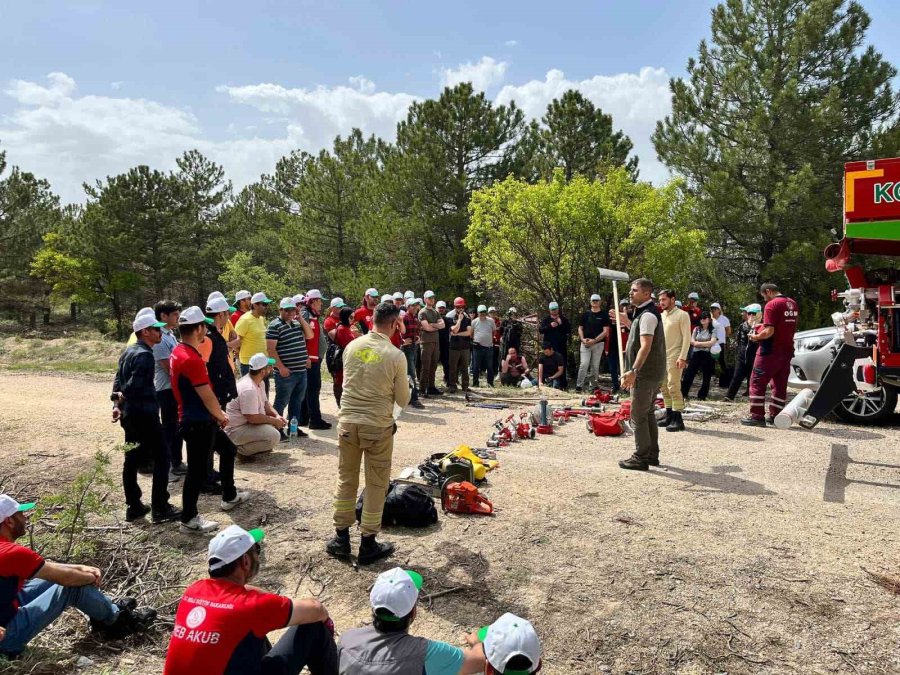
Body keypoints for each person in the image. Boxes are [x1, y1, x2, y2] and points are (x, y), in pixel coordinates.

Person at [164, 525, 337, 675]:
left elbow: (241, 594)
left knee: (250, 633)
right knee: (314, 627)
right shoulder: (250, 607)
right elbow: (316, 608)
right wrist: (327, 622)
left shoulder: (193, 590)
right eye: (257, 551)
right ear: (245, 561)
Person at [0, 495, 156, 657]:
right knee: (71, 586)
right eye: (20, 514)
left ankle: (105, 609)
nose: (25, 517)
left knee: (50, 578)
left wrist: (78, 567)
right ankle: (118, 621)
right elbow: (67, 579)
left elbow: (44, 568)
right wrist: (89, 578)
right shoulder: (11, 553)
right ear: (9, 522)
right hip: (7, 637)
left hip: (8, 608)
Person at [326, 302, 410, 565]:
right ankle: (368, 542)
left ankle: (341, 537)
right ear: (395, 324)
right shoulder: (395, 355)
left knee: (346, 478)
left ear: (371, 320)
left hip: (348, 423)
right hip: (377, 426)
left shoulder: (353, 346)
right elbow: (403, 399)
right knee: (376, 483)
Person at [171, 307, 249, 534]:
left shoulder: (180, 350)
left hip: (199, 419)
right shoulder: (190, 358)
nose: (207, 328)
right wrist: (221, 415)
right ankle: (189, 518)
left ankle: (229, 495)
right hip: (198, 422)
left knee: (227, 450)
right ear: (197, 329)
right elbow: (205, 394)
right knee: (196, 471)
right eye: (203, 325)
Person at [338, 567, 487, 674]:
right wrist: (478, 643)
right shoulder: (427, 652)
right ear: (413, 612)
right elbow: (479, 661)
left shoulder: (347, 640)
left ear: (373, 607)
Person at [111, 308, 182, 523]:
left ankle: (134, 506)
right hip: (145, 416)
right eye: (156, 329)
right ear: (145, 332)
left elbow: (117, 381)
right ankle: (160, 507)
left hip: (129, 416)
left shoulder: (128, 352)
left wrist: (116, 403)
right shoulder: (144, 356)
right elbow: (133, 387)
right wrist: (122, 397)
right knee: (163, 458)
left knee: (131, 459)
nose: (160, 333)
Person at [617, 279, 667, 472]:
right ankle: (652, 454)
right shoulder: (644, 314)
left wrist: (634, 371)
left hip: (645, 374)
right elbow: (640, 337)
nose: (631, 293)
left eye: (634, 290)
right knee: (647, 413)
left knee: (637, 415)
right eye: (631, 290)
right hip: (653, 372)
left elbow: (645, 346)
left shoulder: (647, 316)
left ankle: (641, 457)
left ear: (646, 294)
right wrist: (628, 322)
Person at [742, 283, 799, 426]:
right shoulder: (792, 303)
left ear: (768, 291)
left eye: (764, 296)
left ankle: (757, 416)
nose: (765, 300)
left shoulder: (772, 305)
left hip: (769, 351)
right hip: (786, 351)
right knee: (779, 384)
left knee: (757, 382)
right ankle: (776, 416)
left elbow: (769, 331)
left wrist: (756, 337)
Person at [267, 297, 313, 439]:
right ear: (280, 310)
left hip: (301, 371)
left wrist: (300, 319)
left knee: (296, 402)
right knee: (281, 402)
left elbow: (309, 335)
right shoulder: (274, 325)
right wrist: (280, 367)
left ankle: (294, 427)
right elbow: (270, 349)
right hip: (286, 373)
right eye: (286, 310)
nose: (289, 313)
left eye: (292, 310)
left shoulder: (296, 323)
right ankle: (277, 429)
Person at [225, 353, 286, 458]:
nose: (271, 368)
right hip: (235, 429)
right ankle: (236, 451)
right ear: (262, 371)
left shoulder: (258, 382)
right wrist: (274, 421)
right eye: (269, 367)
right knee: (274, 436)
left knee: (271, 430)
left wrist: (277, 416)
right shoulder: (249, 389)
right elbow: (252, 418)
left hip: (244, 425)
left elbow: (266, 404)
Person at [152, 300, 186, 480]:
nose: (177, 317)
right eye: (174, 314)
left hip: (173, 389)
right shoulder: (160, 339)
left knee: (176, 426)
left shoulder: (170, 335)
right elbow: (170, 368)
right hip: (166, 389)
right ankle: (169, 463)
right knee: (170, 427)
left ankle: (176, 461)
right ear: (163, 316)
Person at [657, 290, 691, 432]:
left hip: (675, 355)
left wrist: (682, 357)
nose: (661, 302)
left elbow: (687, 337)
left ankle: (678, 419)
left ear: (672, 299)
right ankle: (669, 415)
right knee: (663, 386)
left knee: (673, 385)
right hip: (661, 355)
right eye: (660, 300)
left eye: (664, 299)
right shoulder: (661, 316)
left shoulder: (682, 315)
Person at [301, 290, 332, 430]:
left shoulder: (312, 315)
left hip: (313, 359)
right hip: (308, 359)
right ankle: (315, 420)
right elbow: (302, 336)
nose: (321, 304)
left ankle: (306, 418)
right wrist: (305, 355)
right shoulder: (305, 315)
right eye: (320, 301)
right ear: (313, 301)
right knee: (312, 389)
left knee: (311, 389)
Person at [235, 292, 273, 387]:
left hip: (263, 363)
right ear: (255, 305)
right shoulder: (244, 320)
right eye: (264, 304)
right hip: (249, 364)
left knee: (263, 396)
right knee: (250, 395)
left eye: (267, 304)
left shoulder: (260, 319)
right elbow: (237, 341)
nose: (266, 307)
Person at [725, 304, 760, 401]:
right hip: (742, 354)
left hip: (754, 355)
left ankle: (752, 397)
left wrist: (754, 326)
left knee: (753, 378)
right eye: (749, 313)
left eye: (753, 313)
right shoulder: (742, 325)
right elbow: (739, 339)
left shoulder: (761, 326)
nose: (750, 315)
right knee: (736, 376)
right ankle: (729, 396)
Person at [576, 294, 610, 393]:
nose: (595, 302)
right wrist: (582, 339)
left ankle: (593, 386)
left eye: (597, 300)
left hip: (598, 344)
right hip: (585, 343)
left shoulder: (604, 315)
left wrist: (594, 341)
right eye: (593, 300)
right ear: (590, 302)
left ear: (600, 302)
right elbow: (580, 328)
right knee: (584, 364)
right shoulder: (585, 314)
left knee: (595, 366)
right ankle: (579, 386)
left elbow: (605, 331)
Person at [681, 312, 718, 401]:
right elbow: (692, 341)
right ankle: (683, 393)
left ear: (709, 319)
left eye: (704, 318)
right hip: (696, 354)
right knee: (689, 374)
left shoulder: (713, 330)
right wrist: (703, 344)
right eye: (701, 318)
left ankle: (702, 395)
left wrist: (699, 343)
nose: (702, 320)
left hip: (707, 354)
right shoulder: (696, 329)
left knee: (706, 376)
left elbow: (712, 342)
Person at [329, 307, 358, 407]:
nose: (352, 320)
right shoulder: (342, 328)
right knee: (340, 382)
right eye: (350, 317)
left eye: (354, 317)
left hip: (349, 359)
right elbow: (347, 344)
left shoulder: (348, 327)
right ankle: (341, 404)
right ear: (345, 317)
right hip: (342, 360)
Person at [418, 291, 445, 398]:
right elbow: (426, 328)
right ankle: (422, 388)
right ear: (425, 299)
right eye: (429, 298)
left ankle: (431, 386)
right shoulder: (422, 312)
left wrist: (433, 324)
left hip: (435, 342)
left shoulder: (435, 312)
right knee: (426, 366)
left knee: (434, 365)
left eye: (433, 298)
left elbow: (442, 325)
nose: (432, 300)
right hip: (426, 342)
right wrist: (436, 326)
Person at [538, 302, 571, 389]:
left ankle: (563, 384)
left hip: (561, 346)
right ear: (549, 310)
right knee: (548, 364)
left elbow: (568, 331)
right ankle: (547, 381)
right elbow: (541, 330)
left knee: (562, 363)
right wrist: (550, 326)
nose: (554, 311)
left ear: (558, 309)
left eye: (555, 309)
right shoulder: (546, 320)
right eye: (552, 310)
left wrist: (561, 324)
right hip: (549, 347)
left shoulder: (564, 319)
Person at [402, 298, 426, 409]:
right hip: (406, 349)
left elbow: (417, 331)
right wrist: (403, 342)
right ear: (408, 307)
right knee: (411, 374)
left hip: (413, 347)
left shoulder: (415, 318)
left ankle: (409, 397)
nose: (415, 307)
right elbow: (399, 332)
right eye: (413, 305)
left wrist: (418, 338)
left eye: (416, 305)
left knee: (410, 373)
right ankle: (414, 399)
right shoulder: (404, 317)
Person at [447, 298, 473, 393]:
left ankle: (465, 386)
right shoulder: (450, 316)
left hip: (465, 346)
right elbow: (454, 330)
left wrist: (457, 334)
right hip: (454, 347)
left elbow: (469, 332)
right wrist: (459, 321)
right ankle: (452, 386)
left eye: (462, 307)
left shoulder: (467, 317)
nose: (461, 309)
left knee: (465, 368)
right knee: (453, 368)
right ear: (455, 307)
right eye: (458, 307)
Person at [606, 299, 631, 394]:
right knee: (613, 368)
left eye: (626, 305)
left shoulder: (630, 316)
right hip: (612, 346)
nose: (624, 307)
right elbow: (606, 330)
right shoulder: (612, 316)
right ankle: (615, 385)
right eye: (622, 305)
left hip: (624, 346)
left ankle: (625, 386)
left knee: (624, 368)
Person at [471, 304, 497, 388]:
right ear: (477, 313)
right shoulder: (474, 321)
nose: (482, 314)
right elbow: (471, 334)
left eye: (484, 312)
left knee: (490, 366)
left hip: (489, 347)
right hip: (477, 347)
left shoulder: (491, 321)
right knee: (476, 366)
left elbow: (494, 332)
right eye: (480, 312)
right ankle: (475, 383)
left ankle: (490, 383)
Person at [710, 302, 732, 388]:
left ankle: (725, 383)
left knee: (722, 362)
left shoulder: (724, 319)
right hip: (711, 343)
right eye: (711, 309)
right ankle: (709, 380)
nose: (713, 310)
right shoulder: (710, 319)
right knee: (710, 362)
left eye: (714, 308)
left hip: (720, 344)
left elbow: (728, 331)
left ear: (719, 310)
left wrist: (724, 339)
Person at [436, 300, 451, 386]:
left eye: (443, 308)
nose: (441, 309)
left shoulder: (448, 320)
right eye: (439, 308)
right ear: (436, 308)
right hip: (435, 343)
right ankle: (431, 383)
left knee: (446, 363)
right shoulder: (432, 319)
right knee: (433, 364)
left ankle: (448, 380)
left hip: (445, 344)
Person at [488, 307, 502, 375]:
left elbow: (502, 331)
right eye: (491, 312)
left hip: (497, 342)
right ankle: (489, 372)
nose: (492, 314)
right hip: (488, 342)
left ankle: (495, 372)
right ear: (488, 313)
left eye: (493, 312)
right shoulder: (486, 321)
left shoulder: (499, 321)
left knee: (496, 358)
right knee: (489, 358)